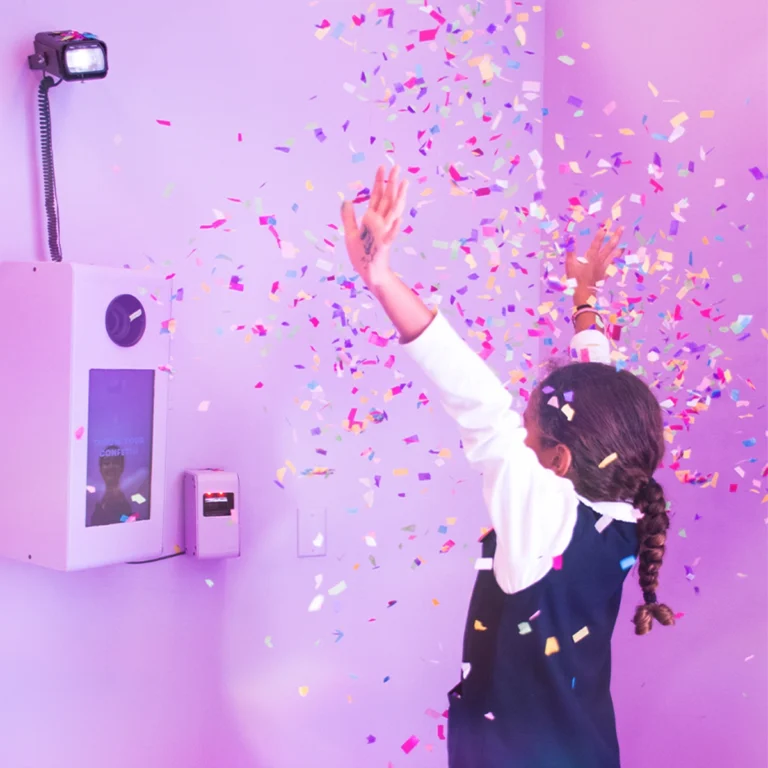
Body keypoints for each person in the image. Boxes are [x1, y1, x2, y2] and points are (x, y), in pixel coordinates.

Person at [340, 167, 675, 768]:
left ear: (559, 461)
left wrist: (381, 279)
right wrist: (584, 304)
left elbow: (478, 403)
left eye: (529, 434)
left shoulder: (545, 520)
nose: (518, 437)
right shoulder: (625, 498)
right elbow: (604, 399)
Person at [90, 446, 133, 527]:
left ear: (122, 467)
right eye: (106, 463)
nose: (111, 466)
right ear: (100, 468)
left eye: (115, 462)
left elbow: (129, 520)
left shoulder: (132, 498)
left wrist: (118, 516)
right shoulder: (91, 499)